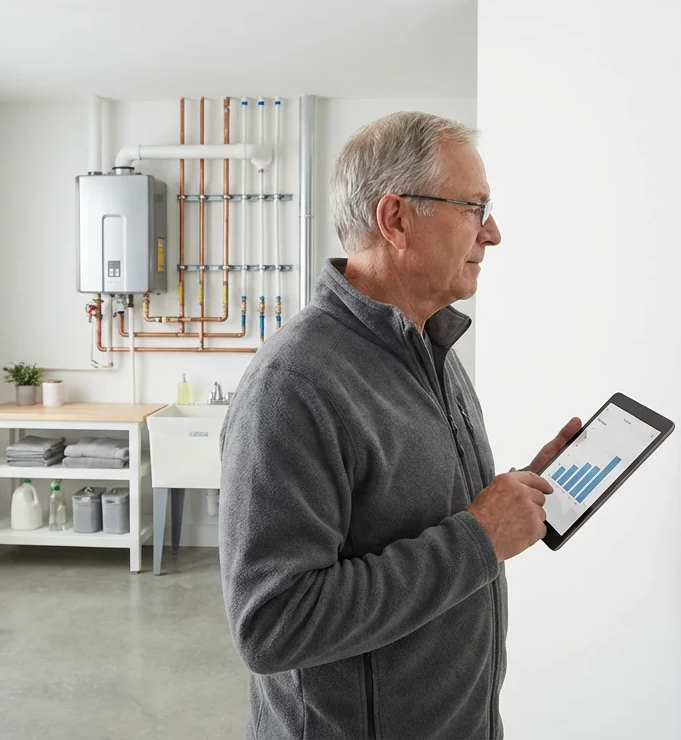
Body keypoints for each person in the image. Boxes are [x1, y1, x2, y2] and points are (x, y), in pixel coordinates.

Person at [219, 111, 581, 739]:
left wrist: (513, 493)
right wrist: (479, 537)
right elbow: (272, 625)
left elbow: (421, 517)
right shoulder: (293, 384)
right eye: (474, 207)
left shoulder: (434, 347)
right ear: (396, 221)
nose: (492, 233)